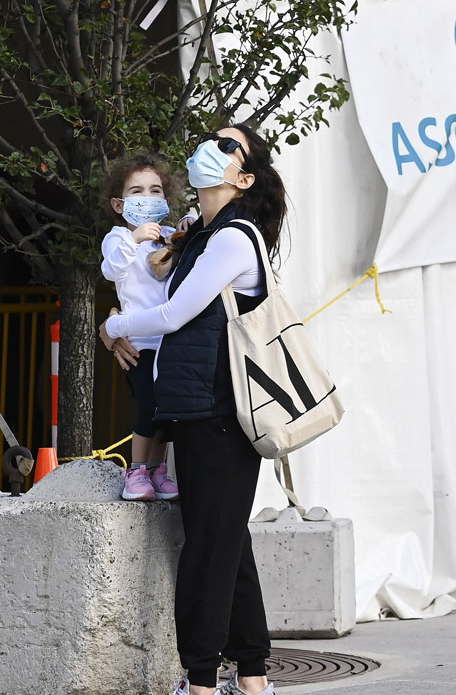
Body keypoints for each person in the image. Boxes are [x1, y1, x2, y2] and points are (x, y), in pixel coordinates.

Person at [101, 125, 285, 694]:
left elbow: (173, 314)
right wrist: (120, 326)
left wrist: (112, 328)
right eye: (211, 138)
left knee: (207, 547)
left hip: (222, 413)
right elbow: (144, 285)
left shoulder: (232, 238)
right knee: (229, 542)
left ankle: (200, 682)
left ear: (244, 177)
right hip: (198, 408)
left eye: (228, 146)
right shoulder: (199, 232)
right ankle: (252, 679)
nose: (212, 145)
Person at [100, 155, 181, 503]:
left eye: (155, 190)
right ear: (119, 204)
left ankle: (158, 471)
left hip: (172, 340)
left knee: (168, 409)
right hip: (139, 343)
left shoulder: (168, 237)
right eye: (137, 191)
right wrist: (134, 238)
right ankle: (136, 471)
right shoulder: (118, 238)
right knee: (148, 403)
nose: (147, 197)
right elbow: (110, 270)